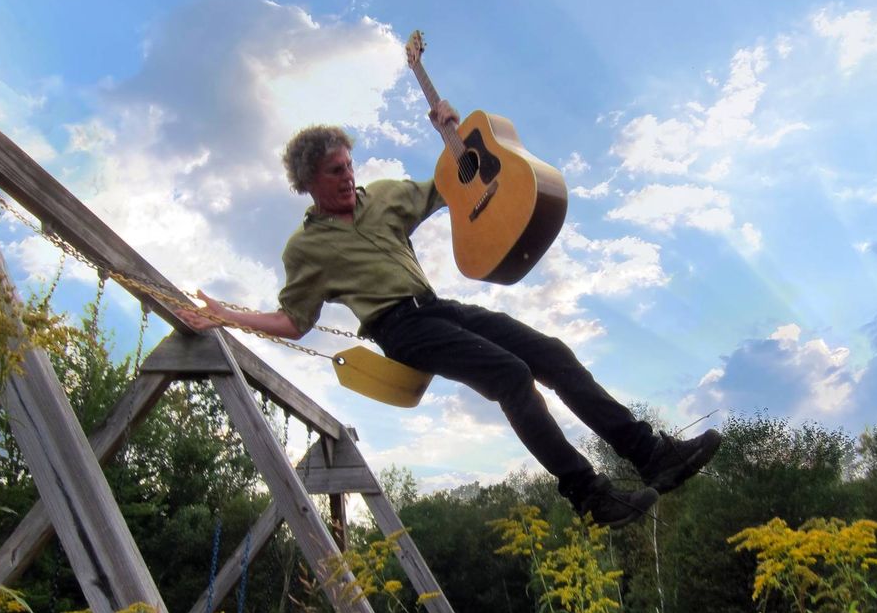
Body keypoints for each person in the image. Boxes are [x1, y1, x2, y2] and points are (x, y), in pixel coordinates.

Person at [175, 99, 720, 528]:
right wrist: (229, 316)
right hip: (400, 328)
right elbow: (294, 320)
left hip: (439, 308)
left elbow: (454, 184)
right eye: (334, 172)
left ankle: (650, 454)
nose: (347, 177)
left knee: (550, 354)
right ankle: (591, 496)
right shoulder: (304, 248)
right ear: (309, 181)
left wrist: (451, 133)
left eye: (348, 165)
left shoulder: (386, 195)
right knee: (511, 375)